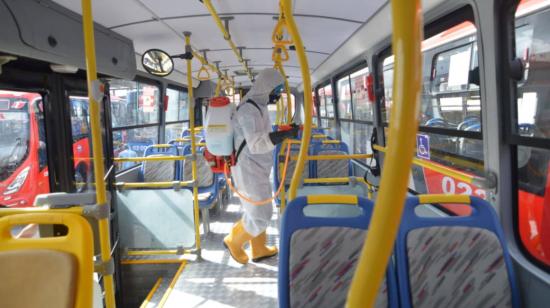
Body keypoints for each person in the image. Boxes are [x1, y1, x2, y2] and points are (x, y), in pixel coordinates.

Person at [224, 68, 299, 264]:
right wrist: (283, 136)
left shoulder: (259, 106)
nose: (277, 94)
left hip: (257, 167)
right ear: (266, 88)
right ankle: (234, 241)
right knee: (261, 214)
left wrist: (282, 132)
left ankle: (258, 249)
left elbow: (262, 136)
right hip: (248, 168)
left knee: (257, 209)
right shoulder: (248, 110)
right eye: (276, 90)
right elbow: (256, 144)